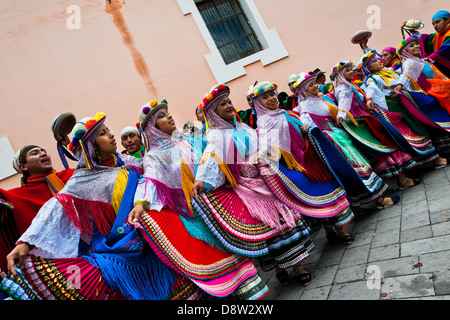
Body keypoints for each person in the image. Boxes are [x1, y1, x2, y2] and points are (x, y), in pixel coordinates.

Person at [2, 113, 201, 300]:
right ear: (91, 147)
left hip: (154, 239)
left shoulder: (129, 162)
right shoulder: (82, 180)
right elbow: (55, 210)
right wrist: (25, 243)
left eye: (108, 130)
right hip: (121, 251)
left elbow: (157, 171)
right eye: (103, 133)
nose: (111, 134)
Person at [127, 99, 269, 300]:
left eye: (167, 113)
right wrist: (141, 204)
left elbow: (213, 151)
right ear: (152, 127)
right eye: (161, 116)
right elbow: (150, 179)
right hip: (192, 213)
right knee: (217, 258)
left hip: (213, 202)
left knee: (236, 253)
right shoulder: (154, 156)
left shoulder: (188, 138)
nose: (168, 116)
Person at [192, 84, 316, 286]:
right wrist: (202, 179)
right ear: (212, 113)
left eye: (229, 101)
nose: (228, 105)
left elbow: (266, 144)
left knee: (282, 221)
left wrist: (266, 152)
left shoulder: (243, 127)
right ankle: (278, 267)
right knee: (265, 227)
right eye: (221, 104)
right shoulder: (216, 135)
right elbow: (212, 158)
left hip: (267, 179)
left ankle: (298, 265)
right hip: (248, 187)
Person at [249, 81, 356, 244]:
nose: (271, 98)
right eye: (265, 97)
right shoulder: (264, 121)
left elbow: (300, 125)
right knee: (317, 195)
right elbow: (266, 143)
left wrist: (304, 128)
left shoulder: (286, 113)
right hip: (293, 164)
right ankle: (329, 229)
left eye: (272, 94)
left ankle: (340, 230)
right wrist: (262, 154)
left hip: (308, 158)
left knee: (328, 188)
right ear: (257, 103)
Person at [292, 72, 402, 211]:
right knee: (358, 168)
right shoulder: (306, 105)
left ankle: (364, 204)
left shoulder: (318, 99)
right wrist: (313, 130)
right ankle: (380, 200)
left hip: (339, 137)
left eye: (314, 84)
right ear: (303, 90)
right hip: (335, 141)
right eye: (310, 85)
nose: (315, 86)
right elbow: (308, 124)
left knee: (358, 169)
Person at [333, 61, 440, 170]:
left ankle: (420, 164)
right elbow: (345, 102)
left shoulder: (384, 73)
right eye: (348, 70)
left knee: (408, 131)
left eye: (351, 69)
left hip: (393, 106)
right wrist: (342, 114)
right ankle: (413, 168)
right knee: (404, 133)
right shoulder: (348, 88)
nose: (352, 71)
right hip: (381, 112)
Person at [357, 50, 450, 167]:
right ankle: (434, 159)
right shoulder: (373, 79)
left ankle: (441, 153)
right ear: (368, 68)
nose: (380, 60)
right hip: (395, 107)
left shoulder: (388, 71)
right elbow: (370, 88)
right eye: (375, 61)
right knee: (414, 129)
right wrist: (369, 98)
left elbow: (404, 71)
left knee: (422, 123)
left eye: (378, 58)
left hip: (405, 102)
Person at [0, 146, 75, 273]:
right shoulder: (15, 196)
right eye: (35, 153)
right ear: (23, 167)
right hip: (56, 264)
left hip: (94, 250)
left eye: (44, 151)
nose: (42, 154)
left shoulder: (71, 176)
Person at [420, 10, 450, 78]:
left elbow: (446, 50)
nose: (435, 26)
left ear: (447, 19)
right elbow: (425, 39)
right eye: (433, 24)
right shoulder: (438, 35)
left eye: (437, 22)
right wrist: (414, 33)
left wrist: (427, 59)